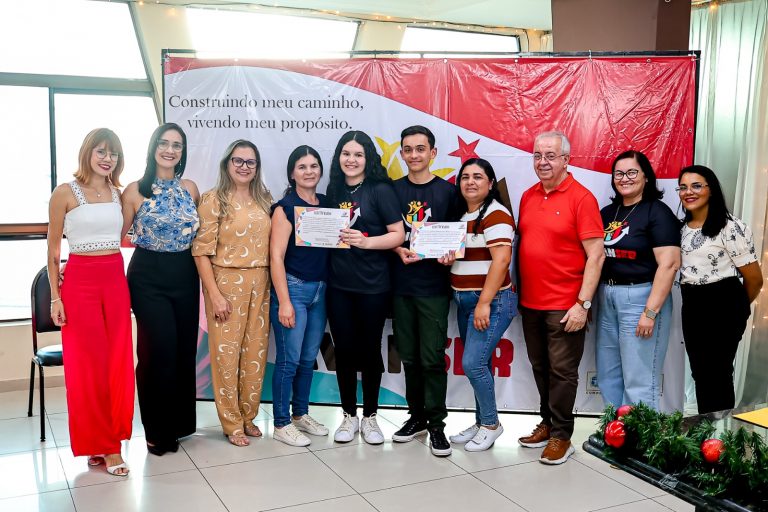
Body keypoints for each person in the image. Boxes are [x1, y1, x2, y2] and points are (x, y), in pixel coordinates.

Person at [47, 128, 133, 476]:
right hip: (79, 283)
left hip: (114, 279)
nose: (107, 158)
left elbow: (123, 236)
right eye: (101, 151)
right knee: (87, 367)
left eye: (113, 153)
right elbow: (53, 249)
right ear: (87, 153)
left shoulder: (119, 194)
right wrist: (55, 297)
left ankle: (108, 440)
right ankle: (104, 446)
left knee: (117, 362)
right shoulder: (64, 193)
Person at [517, 131, 605, 465]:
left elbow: (596, 255)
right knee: (540, 367)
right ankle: (548, 423)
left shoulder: (582, 198)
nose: (543, 162)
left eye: (551, 156)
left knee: (562, 372)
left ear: (566, 160)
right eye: (538, 155)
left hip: (566, 305)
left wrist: (582, 304)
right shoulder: (527, 196)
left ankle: (562, 436)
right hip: (531, 303)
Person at [122, 123, 200, 456]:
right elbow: (114, 237)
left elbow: (202, 237)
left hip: (185, 274)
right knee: (157, 352)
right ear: (153, 147)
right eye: (164, 143)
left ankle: (178, 425)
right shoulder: (134, 190)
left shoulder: (191, 188)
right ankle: (156, 431)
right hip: (148, 275)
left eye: (177, 145)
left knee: (183, 350)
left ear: (183, 152)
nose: (170, 150)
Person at [325, 130, 405, 445]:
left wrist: (366, 241)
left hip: (373, 285)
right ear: (338, 157)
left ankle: (370, 417)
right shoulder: (333, 189)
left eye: (358, 154)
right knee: (343, 350)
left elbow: (398, 234)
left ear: (368, 158)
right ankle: (348, 415)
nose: (352, 160)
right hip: (338, 284)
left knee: (370, 350)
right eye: (346, 153)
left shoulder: (380, 189)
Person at [192, 140, 273, 447]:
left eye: (250, 162)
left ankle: (248, 416)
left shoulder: (265, 199)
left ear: (257, 167)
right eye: (238, 160)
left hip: (261, 282)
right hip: (225, 283)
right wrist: (214, 295)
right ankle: (232, 423)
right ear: (227, 163)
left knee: (255, 354)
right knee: (226, 357)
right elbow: (201, 251)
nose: (244, 167)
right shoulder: (214, 200)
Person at [440, 158, 515, 452]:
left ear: (490, 183)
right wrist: (447, 258)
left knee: (473, 363)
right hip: (464, 301)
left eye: (478, 177)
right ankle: (482, 421)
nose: (470, 182)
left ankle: (491, 425)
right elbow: (464, 258)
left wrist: (484, 303)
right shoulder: (462, 216)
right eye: (465, 177)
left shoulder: (496, 214)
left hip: (491, 302)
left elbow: (502, 260)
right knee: (479, 364)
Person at [390, 125, 456, 457]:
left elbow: (458, 236)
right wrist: (395, 248)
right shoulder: (391, 191)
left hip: (433, 288)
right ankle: (415, 417)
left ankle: (437, 425)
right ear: (402, 153)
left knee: (432, 360)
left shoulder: (448, 192)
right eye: (408, 149)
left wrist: (451, 255)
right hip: (401, 288)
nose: (414, 155)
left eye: (420, 149)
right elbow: (383, 233)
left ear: (433, 153)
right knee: (411, 359)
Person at [596, 150, 680, 411]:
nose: (625, 178)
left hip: (641, 298)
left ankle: (639, 435)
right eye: (619, 173)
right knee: (608, 375)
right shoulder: (608, 213)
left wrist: (650, 312)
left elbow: (669, 264)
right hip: (607, 296)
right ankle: (614, 429)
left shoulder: (657, 212)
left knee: (639, 379)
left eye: (632, 172)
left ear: (646, 177)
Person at [678, 165, 763, 414]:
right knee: (700, 372)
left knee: (718, 372)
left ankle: (721, 433)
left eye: (696, 186)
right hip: (692, 304)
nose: (688, 192)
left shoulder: (730, 227)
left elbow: (755, 279)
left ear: (711, 190)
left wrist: (736, 310)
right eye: (683, 187)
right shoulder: (680, 229)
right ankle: (705, 431)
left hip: (723, 303)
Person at [269, 145, 331, 447]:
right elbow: (276, 257)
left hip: (320, 291)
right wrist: (284, 301)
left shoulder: (328, 205)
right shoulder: (284, 208)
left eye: (314, 166)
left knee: (307, 359)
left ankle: (300, 414)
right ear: (292, 173)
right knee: (289, 360)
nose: (309, 171)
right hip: (293, 289)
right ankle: (281, 423)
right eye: (302, 167)